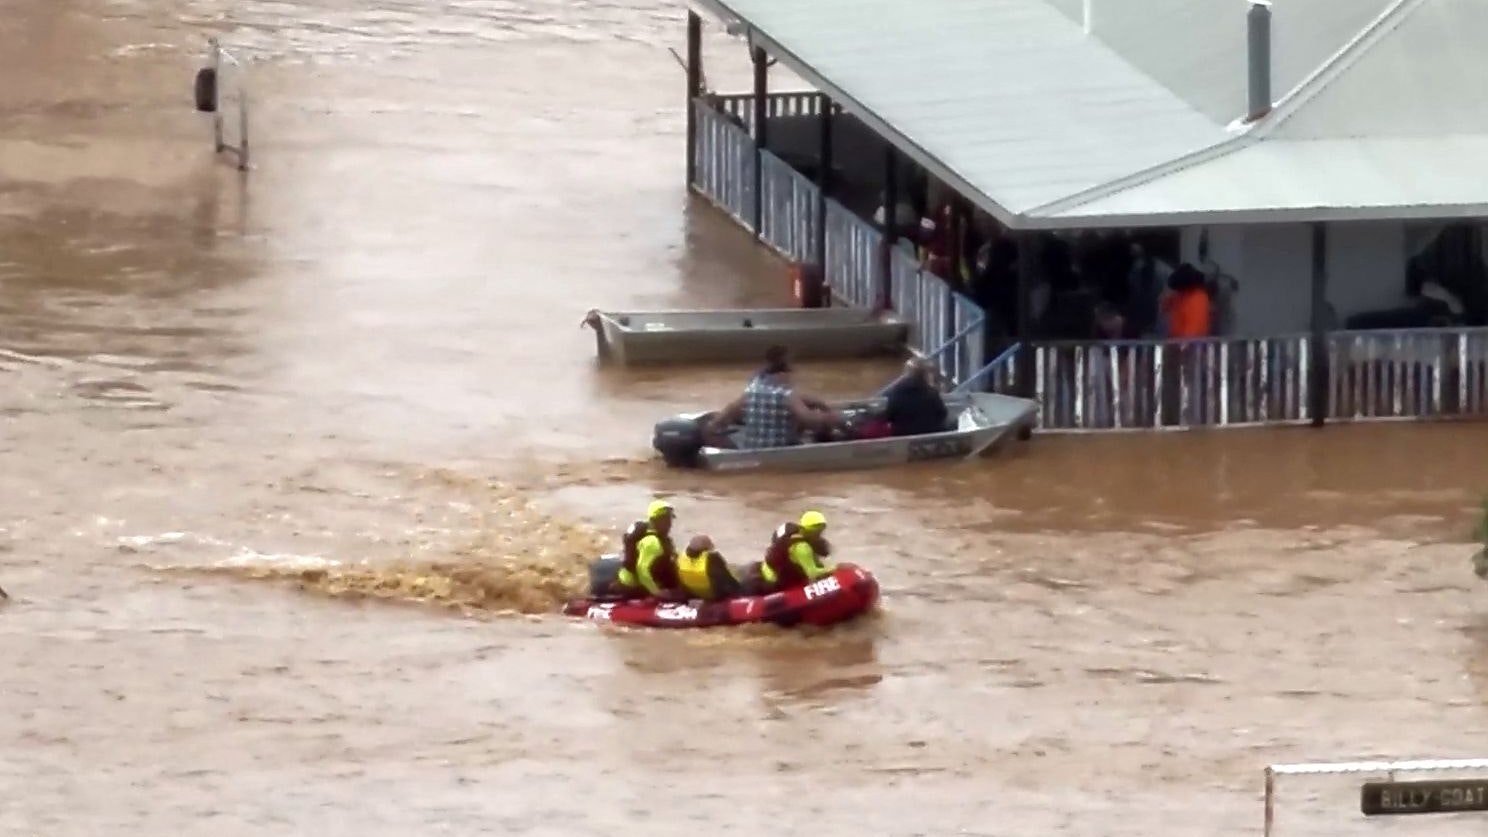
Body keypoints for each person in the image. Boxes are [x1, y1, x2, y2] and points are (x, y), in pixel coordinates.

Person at [708, 345, 842, 449]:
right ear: (786, 371)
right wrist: (829, 418)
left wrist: (716, 426)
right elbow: (810, 420)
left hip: (751, 446)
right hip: (780, 447)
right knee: (813, 423)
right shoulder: (788, 395)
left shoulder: (751, 391)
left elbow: (725, 415)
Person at [613, 500, 683, 599]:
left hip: (638, 582)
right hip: (632, 586)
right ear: (655, 520)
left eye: (670, 520)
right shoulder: (652, 542)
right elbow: (642, 571)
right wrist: (656, 592)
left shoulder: (661, 538)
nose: (669, 524)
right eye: (665, 520)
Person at [759, 511, 836, 592]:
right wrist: (835, 568)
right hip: (773, 580)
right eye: (818, 531)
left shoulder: (797, 537)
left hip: (770, 570)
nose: (820, 535)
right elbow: (813, 573)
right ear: (809, 531)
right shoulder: (802, 547)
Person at [881, 358, 949, 436]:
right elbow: (942, 413)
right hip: (931, 434)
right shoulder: (931, 392)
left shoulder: (896, 391)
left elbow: (890, 415)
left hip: (903, 435)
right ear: (925, 375)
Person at [674, 535, 743, 601]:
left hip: (694, 595)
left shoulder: (680, 559)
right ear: (705, 550)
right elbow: (727, 582)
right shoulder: (712, 559)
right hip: (717, 597)